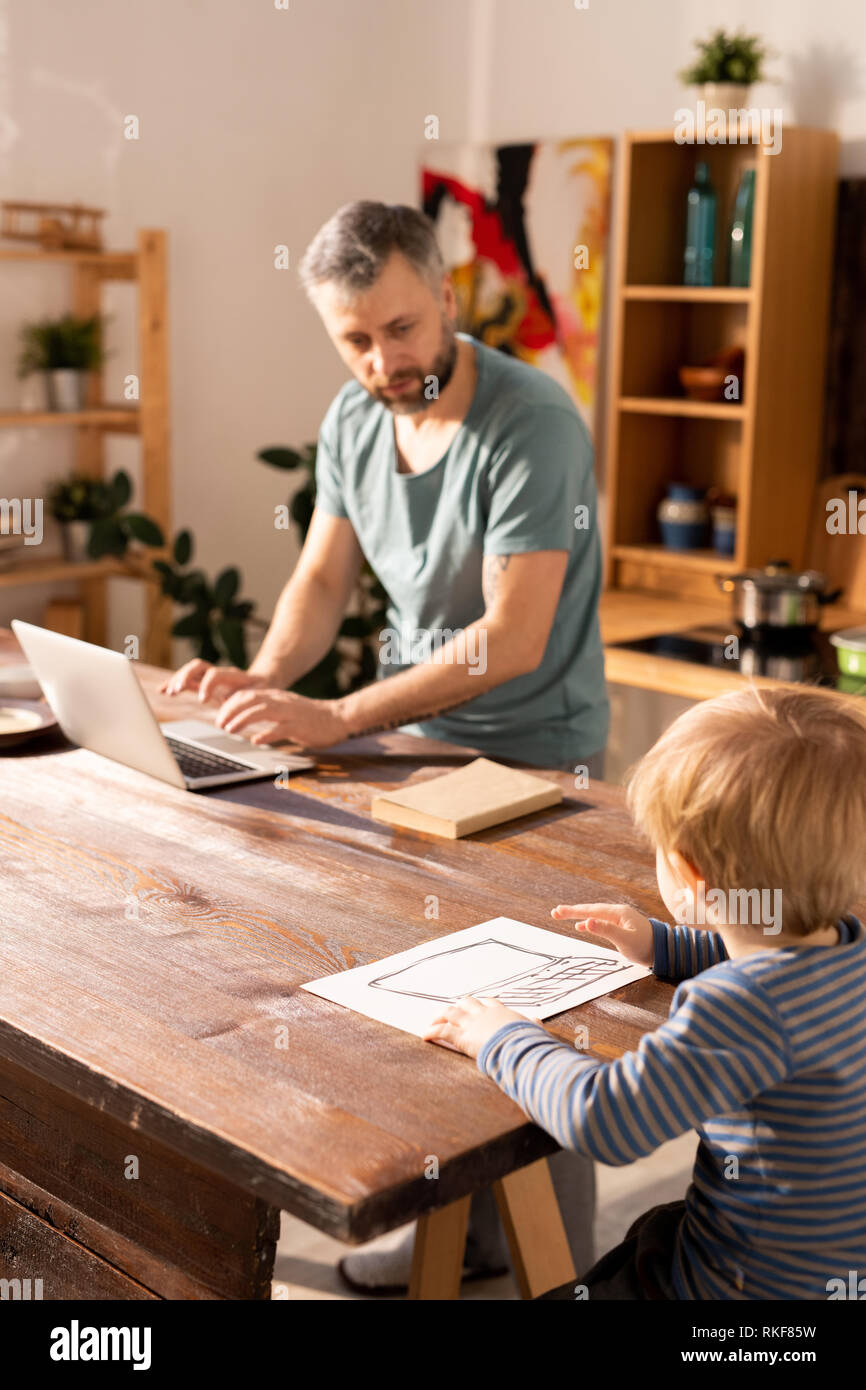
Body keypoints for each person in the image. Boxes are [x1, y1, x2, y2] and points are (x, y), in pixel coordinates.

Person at [162, 201, 609, 1292]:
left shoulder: (531, 423)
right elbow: (321, 578)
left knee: (533, 998)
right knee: (423, 990)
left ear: (446, 295)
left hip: (532, 758)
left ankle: (552, 1261)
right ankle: (464, 1238)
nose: (381, 360)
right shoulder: (353, 421)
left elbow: (511, 638)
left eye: (400, 329)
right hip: (408, 745)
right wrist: (267, 680)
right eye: (354, 339)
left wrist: (340, 716)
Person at [427, 685, 866, 1299]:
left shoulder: (740, 1008)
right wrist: (665, 946)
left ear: (687, 873)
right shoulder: (848, 947)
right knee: (650, 1234)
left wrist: (501, 1036)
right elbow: (772, 952)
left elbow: (604, 1120)